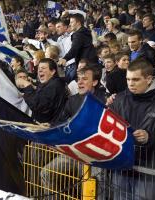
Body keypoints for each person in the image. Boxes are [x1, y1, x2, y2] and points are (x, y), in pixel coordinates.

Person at [41, 66, 108, 199]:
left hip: (96, 157)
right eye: (78, 79)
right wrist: (50, 126)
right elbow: (61, 121)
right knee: (46, 173)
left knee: (93, 188)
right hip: (74, 152)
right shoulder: (72, 100)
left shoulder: (105, 100)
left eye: (84, 79)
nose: (79, 82)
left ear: (95, 82)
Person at [109, 58, 155, 200]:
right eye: (128, 79)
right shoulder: (120, 98)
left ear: (148, 79)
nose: (130, 84)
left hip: (149, 172)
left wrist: (150, 137)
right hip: (121, 167)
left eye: (135, 79)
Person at [16, 58, 67, 123]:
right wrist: (33, 87)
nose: (40, 70)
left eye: (43, 68)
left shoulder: (55, 84)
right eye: (39, 68)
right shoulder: (48, 83)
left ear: (52, 72)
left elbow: (37, 105)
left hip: (48, 128)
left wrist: (27, 85)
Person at [58, 13, 97, 83]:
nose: (70, 24)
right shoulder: (86, 31)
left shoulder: (78, 34)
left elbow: (74, 49)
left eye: (72, 22)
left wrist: (65, 59)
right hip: (91, 62)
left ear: (78, 23)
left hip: (85, 65)